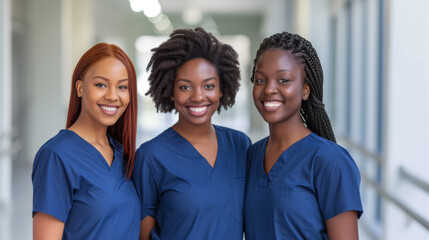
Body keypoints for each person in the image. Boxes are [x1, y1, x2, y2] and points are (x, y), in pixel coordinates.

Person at [132, 27, 251, 240]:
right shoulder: (151, 156)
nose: (198, 97)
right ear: (170, 92)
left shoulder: (240, 146)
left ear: (222, 90)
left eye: (209, 86)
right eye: (185, 87)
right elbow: (142, 235)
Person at [244, 32, 363, 240]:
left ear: (305, 90)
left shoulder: (330, 161)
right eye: (261, 80)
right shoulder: (253, 155)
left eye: (283, 80)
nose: (269, 89)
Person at [32, 43, 140, 240]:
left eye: (122, 87)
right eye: (101, 85)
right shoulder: (57, 156)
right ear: (80, 88)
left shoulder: (122, 153)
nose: (113, 96)